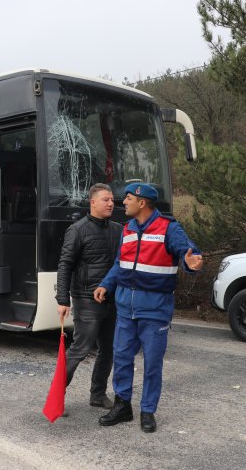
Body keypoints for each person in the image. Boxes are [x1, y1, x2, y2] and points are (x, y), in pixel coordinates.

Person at [94, 183, 202, 433]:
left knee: (152, 363)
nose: (123, 203)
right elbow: (120, 264)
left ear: (142, 203)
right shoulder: (128, 229)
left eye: (128, 198)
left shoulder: (169, 228)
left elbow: (189, 253)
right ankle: (122, 406)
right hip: (125, 308)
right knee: (121, 357)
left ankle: (148, 411)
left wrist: (191, 263)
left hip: (155, 310)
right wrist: (106, 284)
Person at [56, 183, 122, 410]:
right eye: (106, 199)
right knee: (80, 349)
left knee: (108, 349)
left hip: (112, 300)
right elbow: (65, 265)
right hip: (86, 300)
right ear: (92, 202)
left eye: (112, 199)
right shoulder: (77, 230)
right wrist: (62, 300)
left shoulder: (118, 230)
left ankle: (98, 394)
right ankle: (57, 396)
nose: (111, 203)